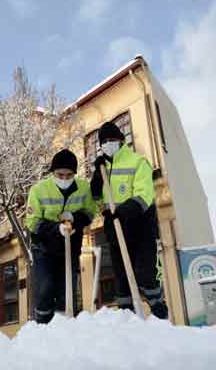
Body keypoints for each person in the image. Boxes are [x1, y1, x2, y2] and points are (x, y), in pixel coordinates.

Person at [90, 122, 169, 319]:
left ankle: (158, 310)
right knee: (121, 277)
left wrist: (123, 210)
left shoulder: (137, 162)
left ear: (121, 140)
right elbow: (99, 201)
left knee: (145, 273)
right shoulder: (102, 169)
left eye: (112, 140)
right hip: (115, 228)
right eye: (104, 141)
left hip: (140, 226)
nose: (108, 144)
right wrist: (97, 184)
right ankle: (127, 318)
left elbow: (145, 195)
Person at [26, 149, 98, 323]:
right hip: (43, 247)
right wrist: (56, 229)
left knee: (67, 291)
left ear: (75, 173)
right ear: (53, 173)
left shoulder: (83, 188)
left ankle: (62, 328)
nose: (64, 179)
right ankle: (42, 325)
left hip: (70, 246)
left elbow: (90, 212)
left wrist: (75, 219)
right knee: (45, 287)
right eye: (60, 174)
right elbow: (32, 222)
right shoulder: (39, 190)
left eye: (69, 175)